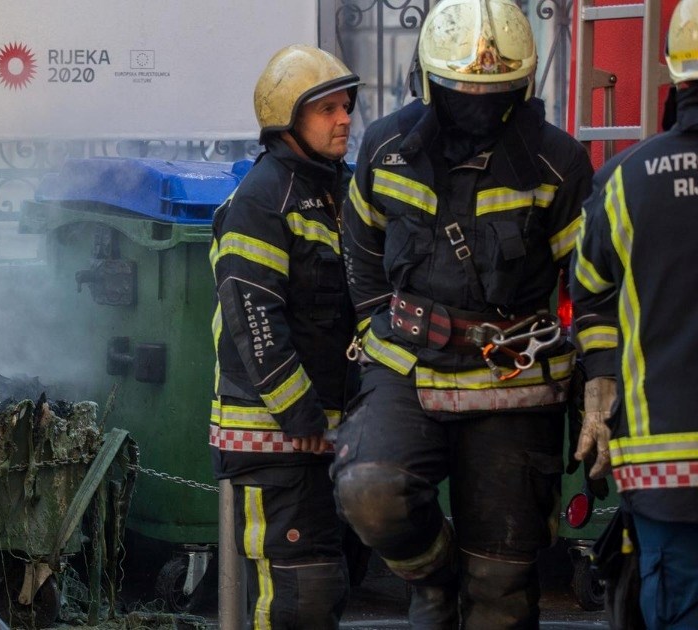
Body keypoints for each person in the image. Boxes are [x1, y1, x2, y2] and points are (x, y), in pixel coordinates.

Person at [332, 0, 594, 626]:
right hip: (407, 365)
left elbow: (589, 284)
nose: (476, 105)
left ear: (521, 87)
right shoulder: (386, 148)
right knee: (370, 491)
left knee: (499, 593)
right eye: (461, 92)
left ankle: (466, 589)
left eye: (493, 93)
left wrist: (595, 381)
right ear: (428, 82)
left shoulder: (557, 163)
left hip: (515, 381)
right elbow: (361, 248)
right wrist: (376, 324)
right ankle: (434, 581)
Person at [209, 44, 362, 630]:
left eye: (346, 106)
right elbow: (255, 320)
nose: (344, 119)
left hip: (331, 437)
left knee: (330, 587)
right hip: (278, 443)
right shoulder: (262, 198)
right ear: (288, 119)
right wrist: (303, 419)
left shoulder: (342, 190)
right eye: (327, 109)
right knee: (301, 598)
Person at [571, 1, 698, 627]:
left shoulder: (625, 180)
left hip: (662, 462)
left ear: (673, 72)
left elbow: (589, 291)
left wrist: (601, 377)